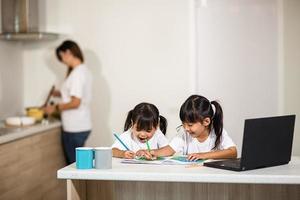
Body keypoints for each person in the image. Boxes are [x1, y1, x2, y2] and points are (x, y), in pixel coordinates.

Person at [144, 95, 237, 161]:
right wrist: (151, 152)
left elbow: (233, 152)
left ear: (206, 122)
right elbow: (170, 149)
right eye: (183, 124)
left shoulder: (217, 131)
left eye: (190, 125)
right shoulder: (184, 132)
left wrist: (204, 155)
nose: (186, 128)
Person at [44, 40, 92, 164]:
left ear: (68, 52)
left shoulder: (77, 74)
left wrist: (54, 108)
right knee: (78, 165)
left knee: (74, 167)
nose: (62, 61)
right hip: (81, 125)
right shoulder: (83, 70)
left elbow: (76, 102)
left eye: (61, 57)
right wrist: (60, 93)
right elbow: (76, 95)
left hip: (74, 128)